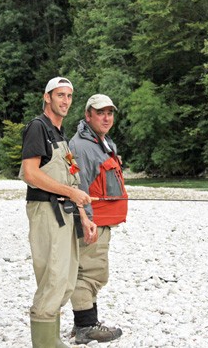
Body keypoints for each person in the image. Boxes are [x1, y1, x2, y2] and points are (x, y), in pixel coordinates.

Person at [19, 76, 98, 348]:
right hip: (45, 210)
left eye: (69, 96)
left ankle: (51, 340)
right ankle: (44, 344)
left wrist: (85, 216)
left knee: (66, 280)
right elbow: (30, 174)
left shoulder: (60, 134)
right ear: (47, 97)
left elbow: (71, 181)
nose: (65, 101)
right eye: (60, 95)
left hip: (65, 212)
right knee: (53, 278)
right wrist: (70, 193)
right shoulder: (37, 128)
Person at [68, 94, 128, 344]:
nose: (106, 117)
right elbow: (77, 185)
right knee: (89, 273)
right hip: (93, 221)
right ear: (87, 115)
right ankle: (85, 327)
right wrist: (86, 220)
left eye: (109, 113)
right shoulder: (81, 146)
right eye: (100, 112)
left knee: (95, 271)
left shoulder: (100, 141)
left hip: (102, 220)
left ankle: (85, 322)